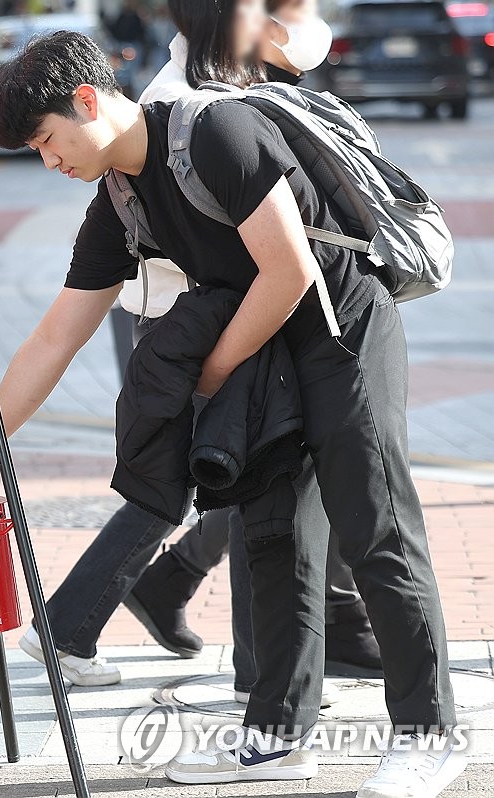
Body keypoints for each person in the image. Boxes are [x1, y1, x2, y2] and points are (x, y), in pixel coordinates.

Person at [0, 30, 462, 796]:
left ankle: (429, 733)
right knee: (274, 539)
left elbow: (289, 269)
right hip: (262, 347)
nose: (50, 161)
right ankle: (277, 735)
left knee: (375, 526)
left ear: (87, 99)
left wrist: (209, 372)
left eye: (45, 140)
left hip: (340, 330)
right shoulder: (120, 201)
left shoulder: (213, 132)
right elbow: (53, 338)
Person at [125, 0, 381, 700]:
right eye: (283, 8)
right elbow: (281, 267)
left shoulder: (240, 96)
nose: (296, 22)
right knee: (263, 489)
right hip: (220, 328)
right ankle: (274, 684)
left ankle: (279, 678)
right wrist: (213, 371)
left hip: (282, 326)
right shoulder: (195, 113)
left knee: (282, 492)